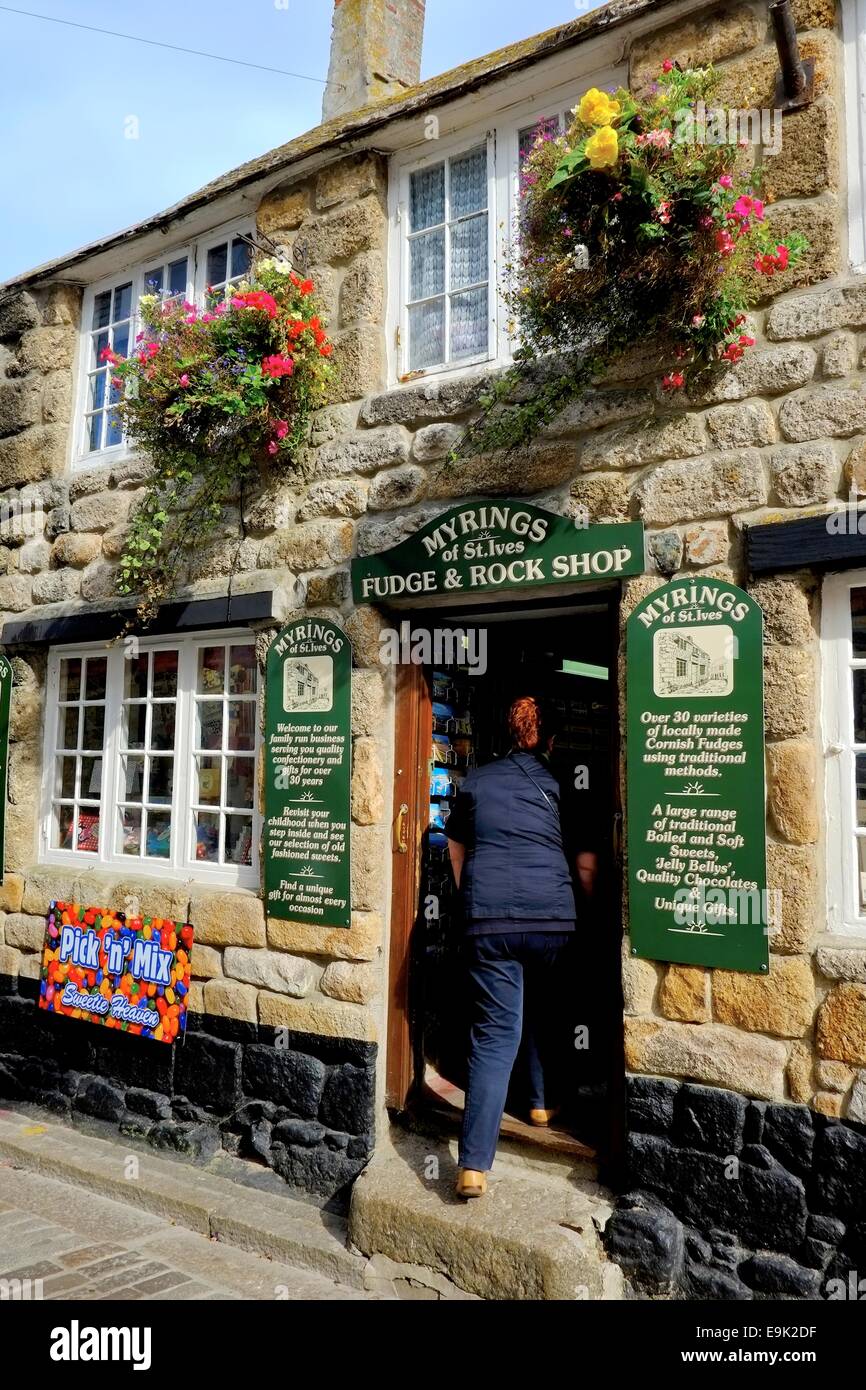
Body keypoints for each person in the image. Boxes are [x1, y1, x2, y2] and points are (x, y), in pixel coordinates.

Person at [445, 695, 598, 1199]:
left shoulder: (478, 781)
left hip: (488, 921)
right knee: (547, 1008)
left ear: (508, 735)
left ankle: (472, 1165)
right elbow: (585, 866)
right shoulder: (563, 783)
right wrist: (591, 912)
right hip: (552, 919)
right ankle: (541, 1103)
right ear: (550, 740)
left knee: (495, 1031)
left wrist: (475, 897)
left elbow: (457, 845)